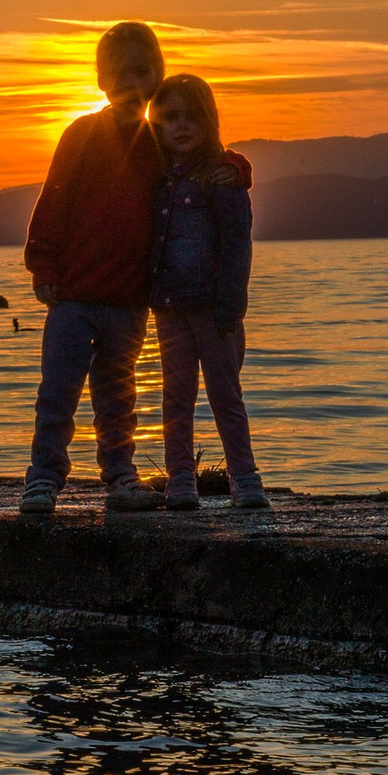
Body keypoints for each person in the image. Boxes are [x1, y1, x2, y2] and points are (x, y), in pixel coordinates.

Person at [18, 20, 166, 523]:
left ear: (157, 77)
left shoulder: (162, 140)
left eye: (141, 71)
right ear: (100, 81)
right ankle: (43, 478)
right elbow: (53, 198)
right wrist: (42, 262)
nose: (129, 82)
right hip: (74, 298)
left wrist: (235, 170)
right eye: (117, 73)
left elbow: (205, 160)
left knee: (118, 396)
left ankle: (120, 476)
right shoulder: (81, 133)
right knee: (57, 394)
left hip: (128, 300)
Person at [145, 71, 272, 522]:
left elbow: (238, 244)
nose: (181, 126)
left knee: (225, 395)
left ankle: (245, 477)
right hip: (169, 305)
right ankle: (181, 479)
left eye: (191, 117)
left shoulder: (221, 178)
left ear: (209, 121)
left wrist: (232, 305)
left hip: (214, 308)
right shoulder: (157, 177)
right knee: (175, 396)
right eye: (170, 117)